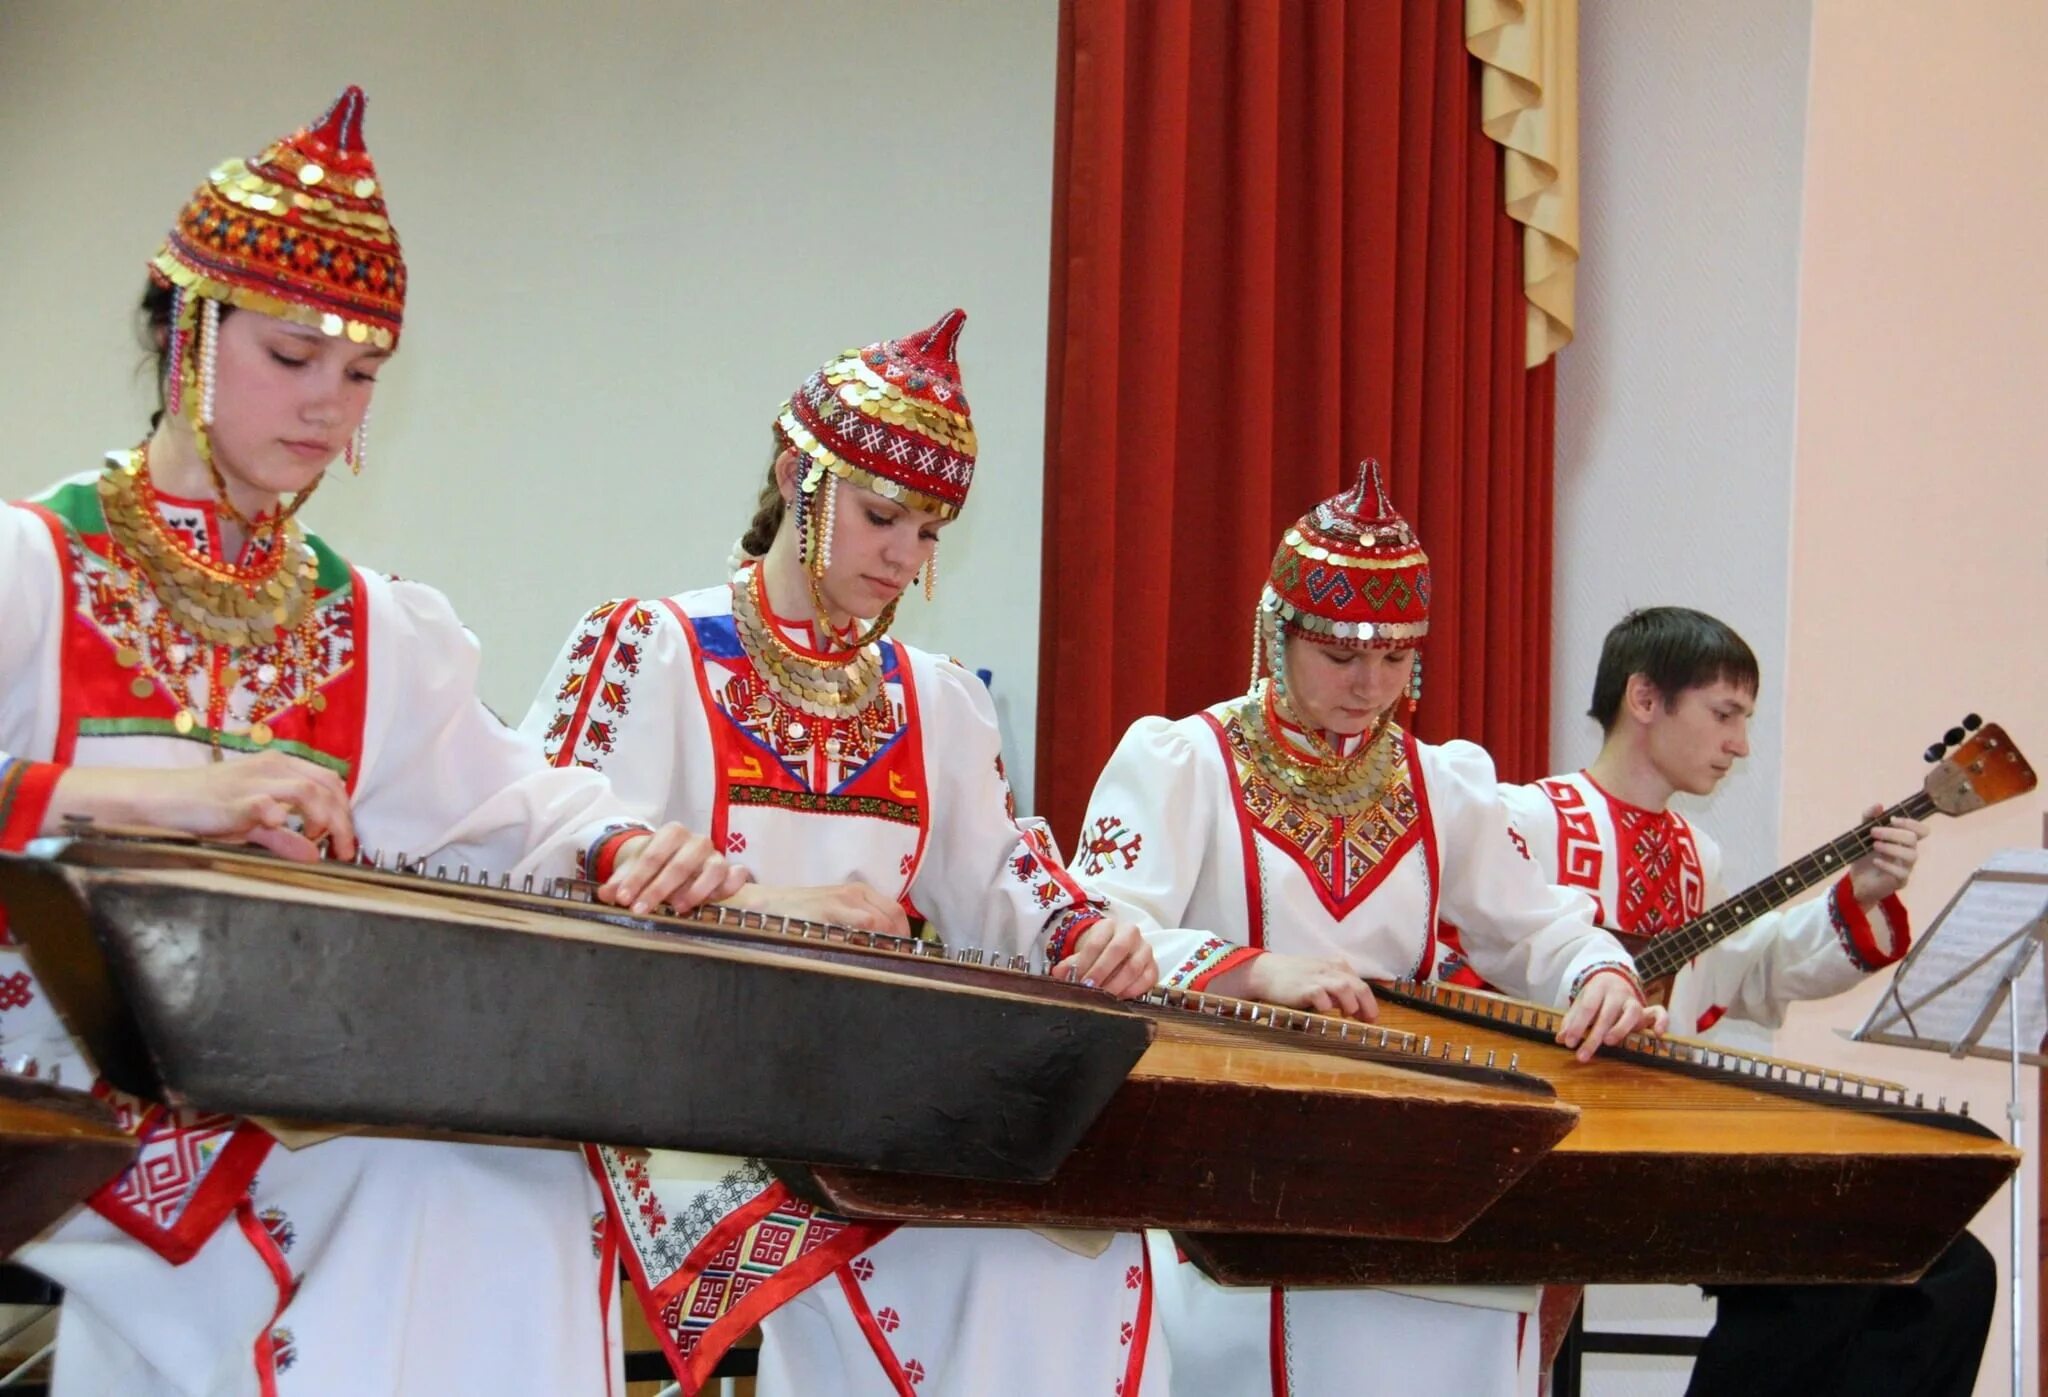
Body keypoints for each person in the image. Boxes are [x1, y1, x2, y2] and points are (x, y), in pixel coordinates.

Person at [0, 86, 743, 1395]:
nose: (331, 409)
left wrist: (632, 842)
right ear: (186, 334)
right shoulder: (30, 566)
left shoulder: (373, 625)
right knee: (409, 1196)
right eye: (292, 360)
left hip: (269, 1077)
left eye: (361, 377)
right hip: (58, 1091)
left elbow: (509, 802)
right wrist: (158, 802)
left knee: (519, 1178)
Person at [523, 310, 1165, 1395]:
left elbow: (998, 870)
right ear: (795, 473)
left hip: (878, 1091)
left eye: (928, 534)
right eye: (882, 519)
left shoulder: (936, 694)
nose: (904, 559)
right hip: (699, 1096)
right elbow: (545, 839)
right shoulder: (651, 643)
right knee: (983, 1261)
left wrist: (1084, 929)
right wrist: (764, 903)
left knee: (1082, 1246)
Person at [1072, 460, 1661, 1396]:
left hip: (1407, 1158)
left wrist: (1598, 972)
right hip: (1235, 1171)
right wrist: (1256, 971)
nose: (1369, 684)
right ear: (1278, 630)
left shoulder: (1443, 780)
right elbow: (1094, 933)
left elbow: (1537, 926)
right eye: (1342, 655)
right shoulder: (1183, 759)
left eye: (1394, 658)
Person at [1448, 605, 1992, 1397]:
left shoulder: (1695, 855)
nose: (1739, 741)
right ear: (1645, 698)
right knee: (1817, 1274)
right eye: (1724, 713)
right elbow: (1449, 972)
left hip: (1667, 1149)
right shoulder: (1525, 819)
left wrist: (1863, 890)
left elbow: (1752, 970)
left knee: (1948, 1268)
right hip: (1544, 1151)